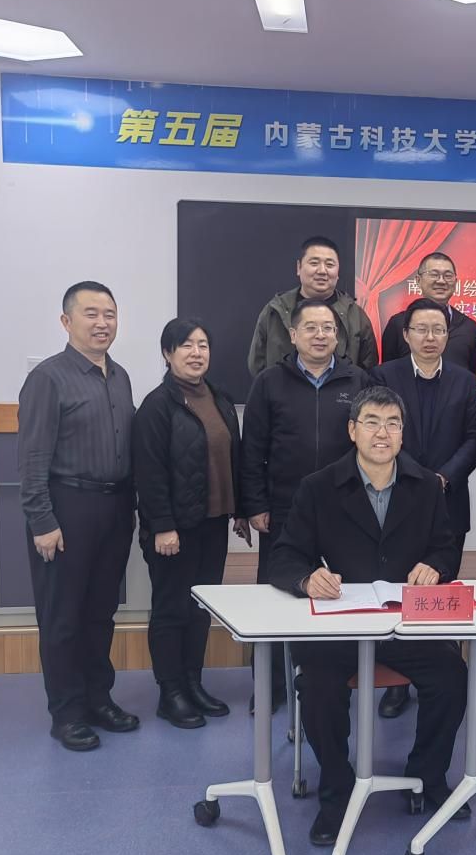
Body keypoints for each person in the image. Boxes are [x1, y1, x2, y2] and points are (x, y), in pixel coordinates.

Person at [269, 386, 468, 845]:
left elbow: (446, 548)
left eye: (393, 424)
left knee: (451, 676)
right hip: (340, 625)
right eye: (372, 422)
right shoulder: (318, 487)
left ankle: (427, 776)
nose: (383, 433)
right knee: (317, 688)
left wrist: (435, 566)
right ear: (352, 430)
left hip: (404, 624)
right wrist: (306, 579)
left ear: (403, 434)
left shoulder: (426, 485)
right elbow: (284, 557)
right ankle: (336, 789)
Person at [19, 281, 139, 752]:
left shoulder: (121, 376)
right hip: (66, 509)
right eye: (91, 314)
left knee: (100, 613)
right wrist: (42, 521)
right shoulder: (48, 378)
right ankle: (67, 713)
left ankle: (98, 699)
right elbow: (32, 458)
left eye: (109, 314)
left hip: (115, 508)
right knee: (63, 617)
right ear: (66, 321)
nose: (102, 323)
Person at [241, 299, 372, 709]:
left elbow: (372, 446)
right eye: (310, 328)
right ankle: (269, 686)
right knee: (276, 594)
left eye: (328, 328)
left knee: (340, 593)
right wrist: (255, 504)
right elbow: (252, 449)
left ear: (338, 335)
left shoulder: (358, 380)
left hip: (345, 509)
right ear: (293, 335)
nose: (320, 335)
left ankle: (331, 681)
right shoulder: (269, 382)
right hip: (284, 508)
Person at [133, 319, 251, 729]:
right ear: (167, 353)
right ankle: (171, 693)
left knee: (200, 608)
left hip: (212, 522)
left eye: (203, 344)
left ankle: (193, 683)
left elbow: (232, 459)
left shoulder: (219, 398)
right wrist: (162, 525)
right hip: (174, 529)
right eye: (186, 345)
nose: (196, 352)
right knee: (171, 609)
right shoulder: (157, 405)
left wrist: (239, 510)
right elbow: (148, 472)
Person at [372, 298, 476, 719]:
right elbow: (380, 436)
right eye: (421, 329)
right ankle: (399, 682)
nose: (430, 337)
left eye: (438, 329)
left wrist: (443, 477)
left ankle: (442, 675)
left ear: (448, 335)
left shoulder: (464, 381)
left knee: (441, 587)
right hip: (396, 500)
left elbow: (474, 438)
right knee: (400, 589)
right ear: (406, 334)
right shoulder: (385, 376)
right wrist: (416, 478)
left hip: (449, 501)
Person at [246, 236, 378, 377]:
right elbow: (257, 365)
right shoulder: (276, 310)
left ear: (338, 271)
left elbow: (369, 368)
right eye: (314, 263)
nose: (322, 271)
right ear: (299, 267)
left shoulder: (356, 316)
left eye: (330, 265)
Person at [380, 253, 476, 373]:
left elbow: (470, 376)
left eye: (448, 276)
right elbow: (388, 374)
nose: (441, 281)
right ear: (418, 280)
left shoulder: (469, 327)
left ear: (455, 282)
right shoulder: (398, 324)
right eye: (434, 274)